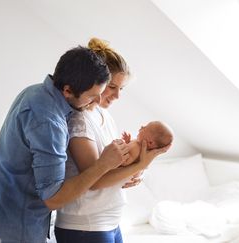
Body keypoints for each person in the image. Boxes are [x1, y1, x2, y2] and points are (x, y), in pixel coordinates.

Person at [0, 45, 131, 243]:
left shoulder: (33, 92)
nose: (97, 102)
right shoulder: (49, 121)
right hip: (18, 229)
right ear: (68, 90)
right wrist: (104, 165)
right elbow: (54, 198)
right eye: (92, 97)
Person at [54, 38, 171, 243]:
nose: (117, 96)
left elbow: (113, 168)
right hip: (85, 226)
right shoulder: (78, 121)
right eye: (112, 87)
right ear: (95, 81)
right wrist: (142, 164)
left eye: (121, 89)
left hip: (110, 222)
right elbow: (96, 180)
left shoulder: (104, 116)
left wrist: (134, 172)